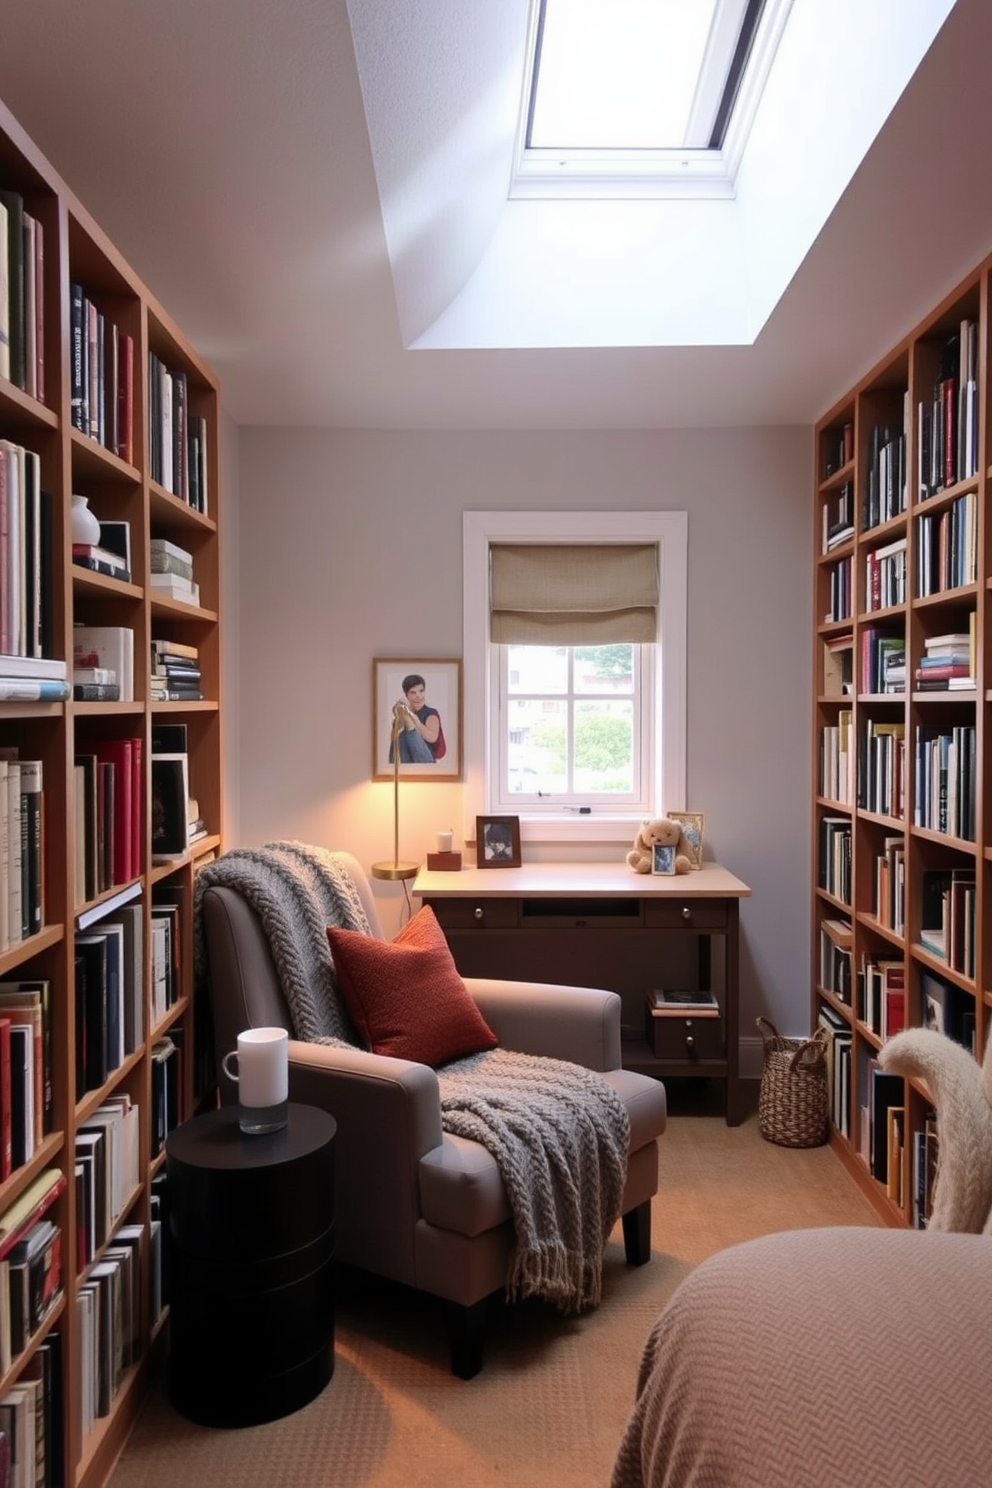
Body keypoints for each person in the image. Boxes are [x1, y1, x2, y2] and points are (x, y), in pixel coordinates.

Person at [389, 673, 446, 764]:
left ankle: (410, 726)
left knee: (407, 732)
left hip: (426, 761)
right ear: (406, 695)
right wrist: (398, 724)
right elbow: (393, 743)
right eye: (413, 692)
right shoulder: (401, 714)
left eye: (421, 691)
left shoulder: (431, 714)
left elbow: (432, 738)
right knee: (401, 734)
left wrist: (416, 722)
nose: (418, 696)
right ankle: (407, 725)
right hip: (405, 761)